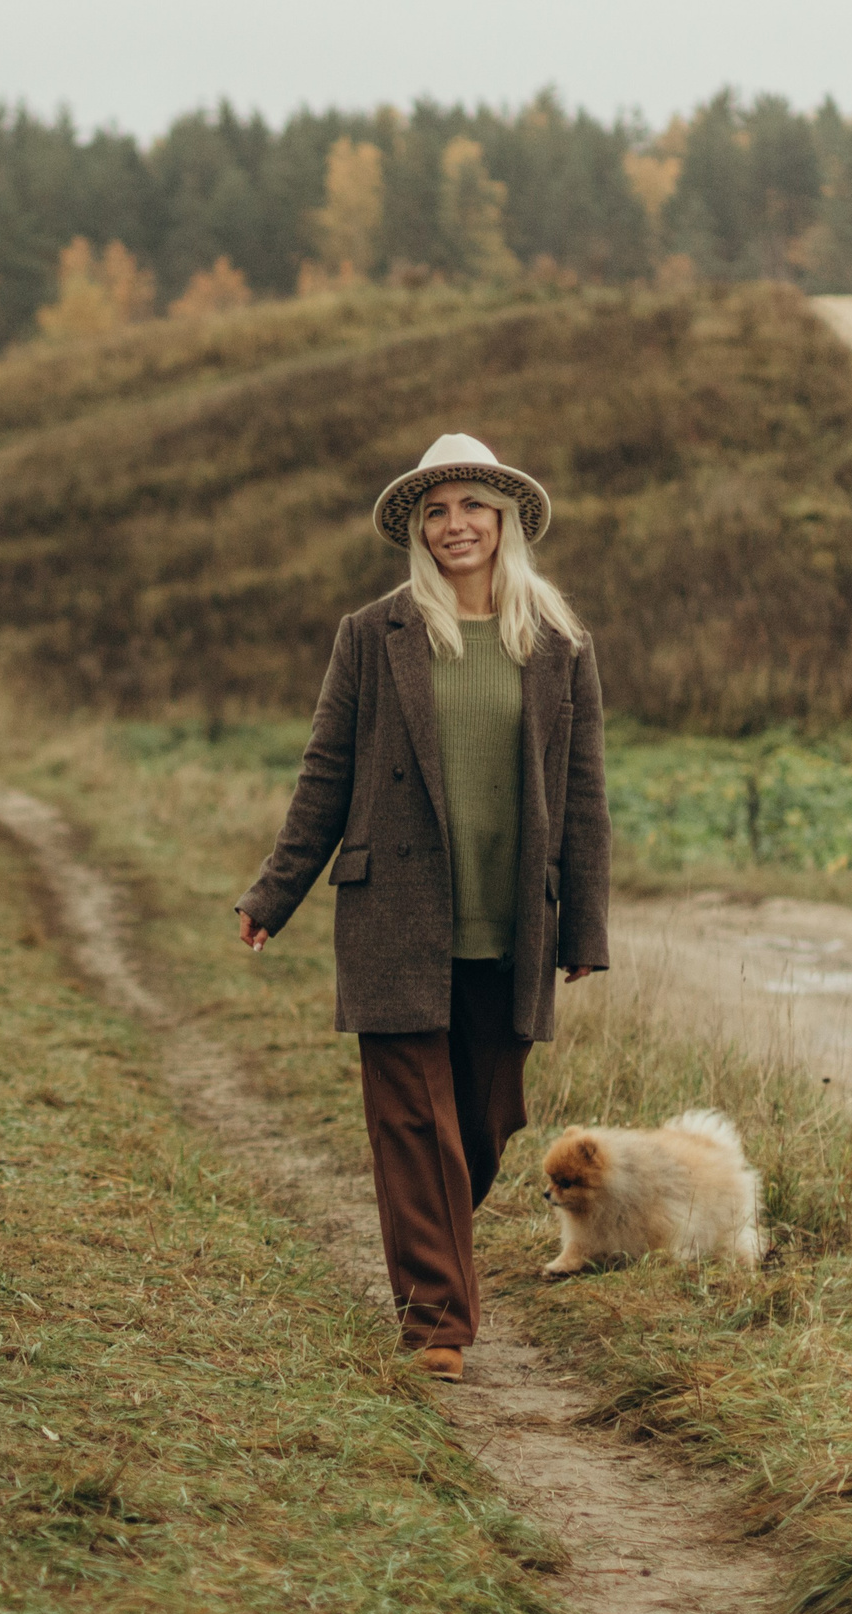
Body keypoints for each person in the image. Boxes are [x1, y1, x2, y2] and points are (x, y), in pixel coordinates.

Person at [235, 434, 610, 1382]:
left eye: (472, 508)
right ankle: (437, 1320)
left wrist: (585, 926)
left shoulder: (560, 643)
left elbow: (585, 792)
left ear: (505, 520)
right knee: (412, 1125)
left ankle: (431, 1253)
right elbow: (326, 773)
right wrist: (275, 893)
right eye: (436, 512)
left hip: (512, 916)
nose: (455, 527)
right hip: (394, 912)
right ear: (418, 530)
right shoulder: (374, 635)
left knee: (482, 1123)